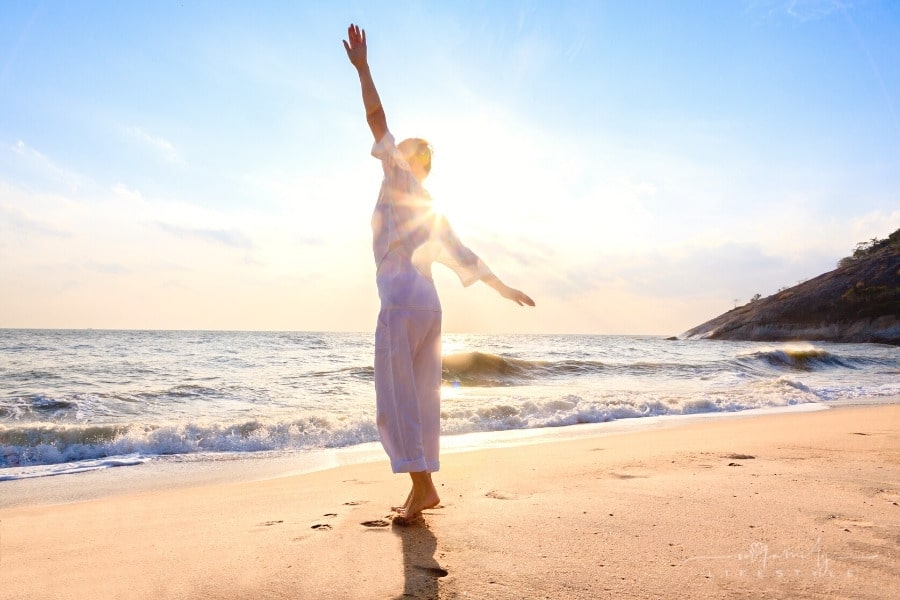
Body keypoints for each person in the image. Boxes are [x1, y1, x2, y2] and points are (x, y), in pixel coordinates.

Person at [343, 23, 535, 524]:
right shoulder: (432, 205)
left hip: (403, 301)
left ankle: (423, 488)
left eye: (399, 147)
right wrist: (504, 288)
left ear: (408, 160)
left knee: (396, 396)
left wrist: (363, 68)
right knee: (423, 396)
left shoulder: (398, 175)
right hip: (429, 304)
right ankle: (418, 491)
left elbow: (375, 117)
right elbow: (466, 257)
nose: (391, 148)